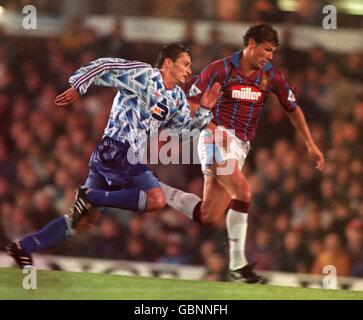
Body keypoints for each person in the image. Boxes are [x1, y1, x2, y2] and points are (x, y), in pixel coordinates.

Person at [6, 44, 221, 268]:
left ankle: (24, 246)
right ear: (168, 63)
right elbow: (105, 65)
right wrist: (78, 86)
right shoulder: (144, 74)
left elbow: (184, 134)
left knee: (80, 221)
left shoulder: (176, 98)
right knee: (156, 199)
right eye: (185, 64)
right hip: (117, 149)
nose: (189, 70)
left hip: (118, 158)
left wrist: (205, 109)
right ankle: (91, 197)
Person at [159, 24, 325, 283]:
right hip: (212, 138)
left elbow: (292, 108)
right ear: (250, 44)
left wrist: (310, 144)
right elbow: (189, 103)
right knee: (243, 190)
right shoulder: (220, 69)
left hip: (240, 147)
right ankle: (238, 266)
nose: (270, 56)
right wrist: (213, 127)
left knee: (209, 216)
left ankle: (154, 187)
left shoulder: (270, 75)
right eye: (267, 50)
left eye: (273, 52)